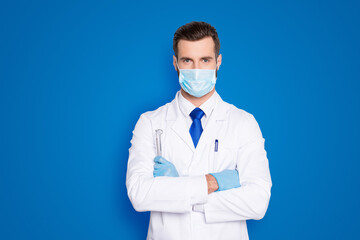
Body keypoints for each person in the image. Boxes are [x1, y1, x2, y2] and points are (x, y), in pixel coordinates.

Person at [126, 21, 272, 240]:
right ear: (175, 63)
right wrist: (213, 182)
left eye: (205, 60)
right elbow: (139, 195)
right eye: (187, 60)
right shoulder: (149, 122)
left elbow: (257, 202)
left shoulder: (243, 123)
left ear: (218, 62)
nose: (196, 70)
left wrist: (178, 192)